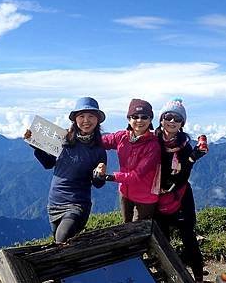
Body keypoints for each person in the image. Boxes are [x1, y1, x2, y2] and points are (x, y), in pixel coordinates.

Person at [23, 97, 107, 244]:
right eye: (81, 116)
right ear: (75, 119)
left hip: (77, 204)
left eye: (91, 116)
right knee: (61, 243)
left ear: (97, 120)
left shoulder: (98, 150)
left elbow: (98, 184)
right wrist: (36, 145)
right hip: (55, 203)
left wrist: (99, 175)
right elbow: (48, 163)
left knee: (61, 239)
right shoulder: (63, 139)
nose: (86, 120)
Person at [153, 98, 208, 283]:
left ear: (182, 123)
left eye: (177, 118)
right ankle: (170, 282)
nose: (172, 121)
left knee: (189, 239)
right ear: (161, 119)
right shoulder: (151, 142)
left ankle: (199, 282)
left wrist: (193, 158)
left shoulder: (185, 145)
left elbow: (184, 173)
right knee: (164, 243)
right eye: (168, 116)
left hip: (181, 196)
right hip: (157, 198)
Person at [96, 99, 161, 222]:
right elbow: (100, 142)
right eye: (135, 116)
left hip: (145, 197)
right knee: (126, 227)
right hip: (125, 192)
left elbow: (136, 176)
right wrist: (78, 137)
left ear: (150, 119)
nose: (139, 120)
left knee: (139, 231)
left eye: (144, 117)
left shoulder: (153, 146)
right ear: (128, 119)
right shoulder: (122, 137)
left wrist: (110, 177)